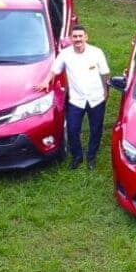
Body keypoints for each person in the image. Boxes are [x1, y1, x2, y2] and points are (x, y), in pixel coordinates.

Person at [36, 25, 111, 170]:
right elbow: (54, 69)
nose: (78, 39)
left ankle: (91, 157)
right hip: (76, 100)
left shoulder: (97, 53)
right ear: (71, 39)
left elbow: (105, 74)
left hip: (96, 99)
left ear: (86, 37)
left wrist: (106, 90)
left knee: (96, 129)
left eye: (80, 36)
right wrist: (45, 81)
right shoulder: (65, 54)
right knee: (72, 129)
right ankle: (77, 156)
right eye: (75, 37)